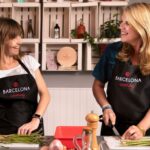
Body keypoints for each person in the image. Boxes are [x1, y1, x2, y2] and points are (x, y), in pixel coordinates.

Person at [92, 2, 150, 140]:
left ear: (141, 26)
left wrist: (141, 128)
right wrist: (106, 107)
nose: (120, 27)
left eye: (127, 23)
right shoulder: (112, 51)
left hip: (145, 130)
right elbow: (97, 85)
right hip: (112, 126)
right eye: (121, 22)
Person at [0, 17, 50, 135]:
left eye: (20, 36)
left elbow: (45, 94)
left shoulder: (28, 62)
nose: (20, 41)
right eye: (13, 37)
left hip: (32, 132)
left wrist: (36, 119)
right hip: (2, 136)